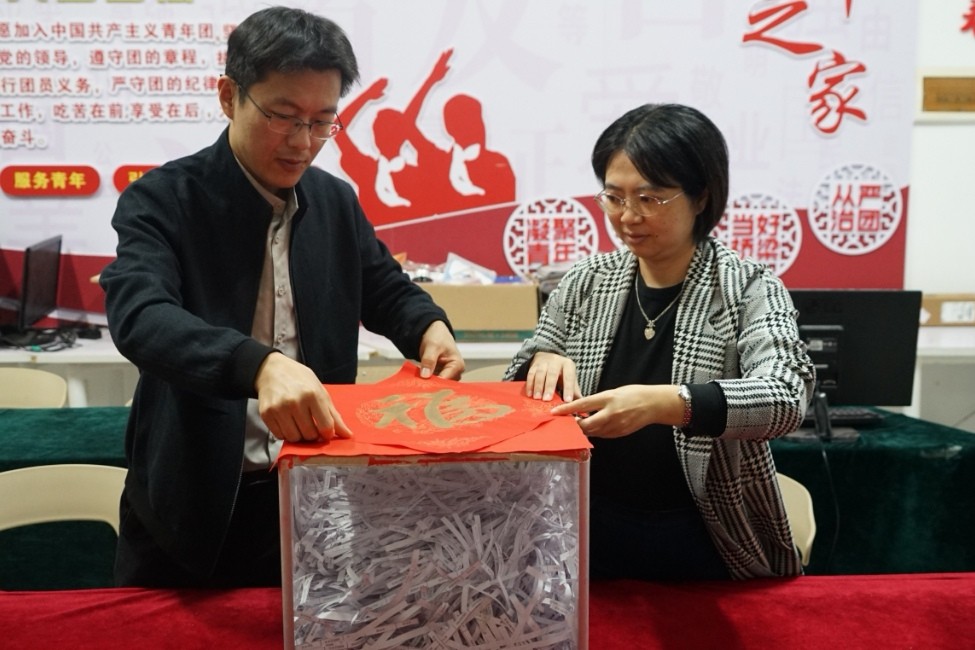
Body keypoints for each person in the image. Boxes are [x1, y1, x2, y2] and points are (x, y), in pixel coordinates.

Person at [99, 6, 464, 589]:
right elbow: (141, 317)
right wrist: (259, 366)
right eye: (283, 117)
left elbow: (382, 285)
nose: (302, 142)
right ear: (229, 96)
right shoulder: (163, 200)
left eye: (322, 122)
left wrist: (427, 326)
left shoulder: (334, 200)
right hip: (191, 504)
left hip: (314, 494)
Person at [505, 103, 815, 581]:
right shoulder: (587, 281)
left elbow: (785, 398)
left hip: (707, 533)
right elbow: (523, 379)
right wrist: (541, 359)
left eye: (650, 198)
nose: (628, 216)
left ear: (701, 197)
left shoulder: (748, 287)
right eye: (614, 197)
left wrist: (664, 404)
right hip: (584, 525)